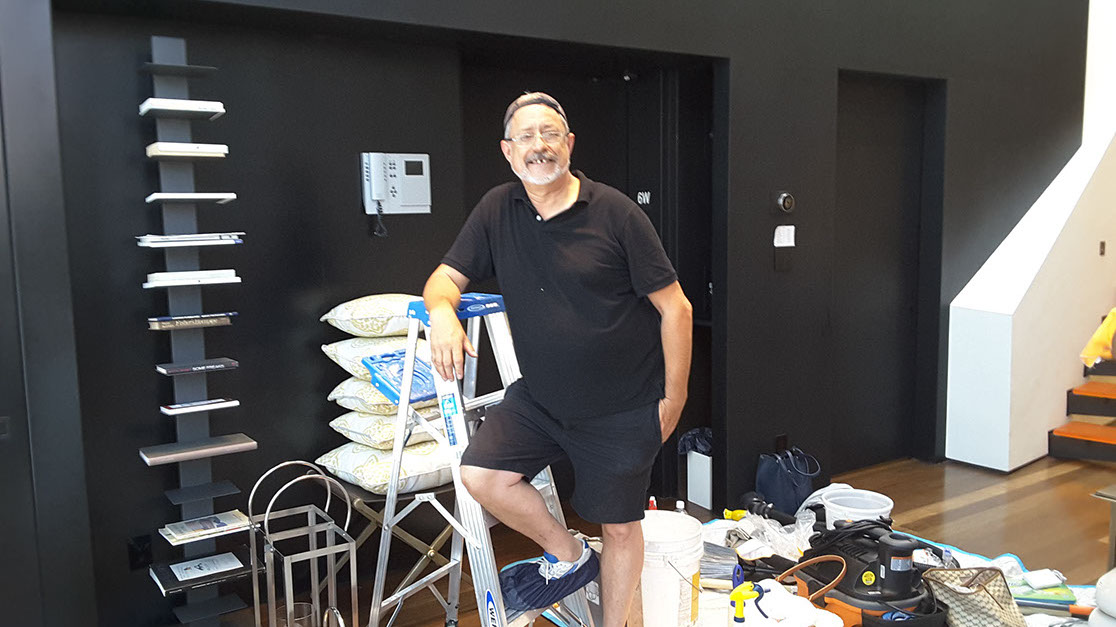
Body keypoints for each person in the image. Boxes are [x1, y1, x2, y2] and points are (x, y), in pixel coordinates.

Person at [422, 92, 693, 626]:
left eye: (549, 134)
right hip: (542, 400)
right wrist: (443, 312)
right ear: (508, 151)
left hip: (622, 405)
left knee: (620, 527)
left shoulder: (616, 213)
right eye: (526, 136)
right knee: (481, 475)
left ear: (569, 144)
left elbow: (676, 309)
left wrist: (675, 398)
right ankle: (570, 554)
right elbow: (444, 278)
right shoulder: (497, 208)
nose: (539, 146)